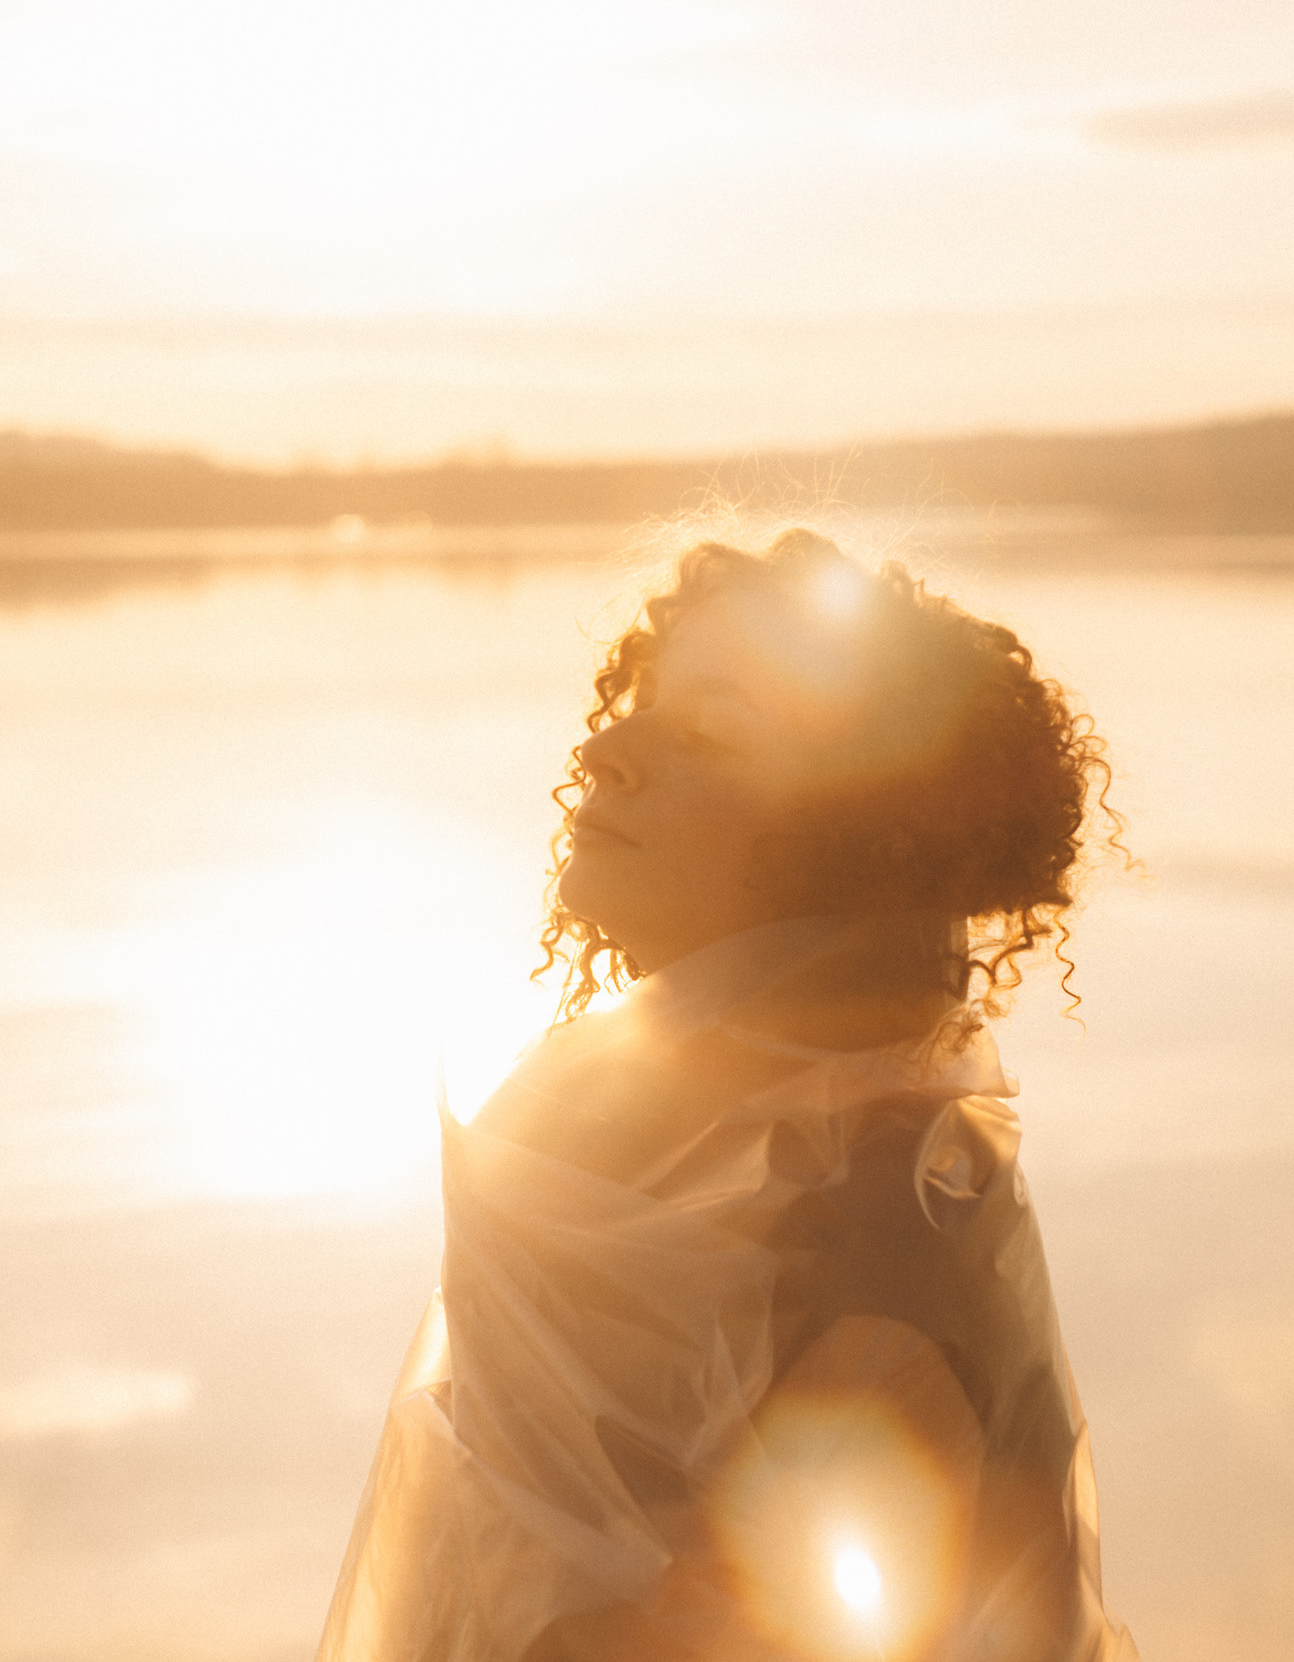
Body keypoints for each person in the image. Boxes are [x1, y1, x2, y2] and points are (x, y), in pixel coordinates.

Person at [319, 529, 1138, 1661]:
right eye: (638, 705)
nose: (609, 748)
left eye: (709, 729)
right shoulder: (628, 1133)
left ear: (852, 834)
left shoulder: (876, 1211)